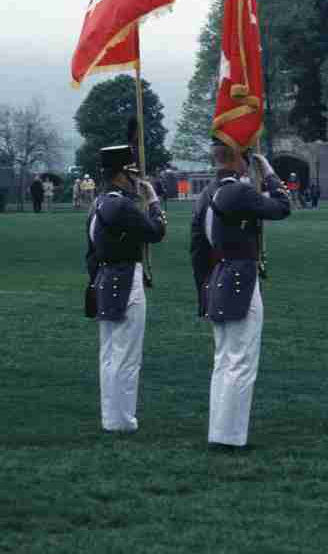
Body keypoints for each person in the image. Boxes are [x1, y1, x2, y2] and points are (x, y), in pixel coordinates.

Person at [191, 141, 291, 448]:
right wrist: (270, 174)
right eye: (246, 155)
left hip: (217, 278)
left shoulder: (206, 194)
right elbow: (282, 206)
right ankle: (230, 437)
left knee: (224, 360)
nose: (249, 162)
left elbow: (197, 249)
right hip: (241, 279)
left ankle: (220, 432)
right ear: (236, 156)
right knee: (242, 360)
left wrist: (202, 292)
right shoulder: (239, 191)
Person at [86, 145, 167, 433]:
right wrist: (154, 200)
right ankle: (121, 420)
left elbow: (90, 253)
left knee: (109, 354)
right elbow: (156, 232)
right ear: (121, 174)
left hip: (104, 277)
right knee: (127, 356)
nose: (136, 178)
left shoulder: (98, 203)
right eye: (133, 173)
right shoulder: (121, 205)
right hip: (125, 278)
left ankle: (112, 417)